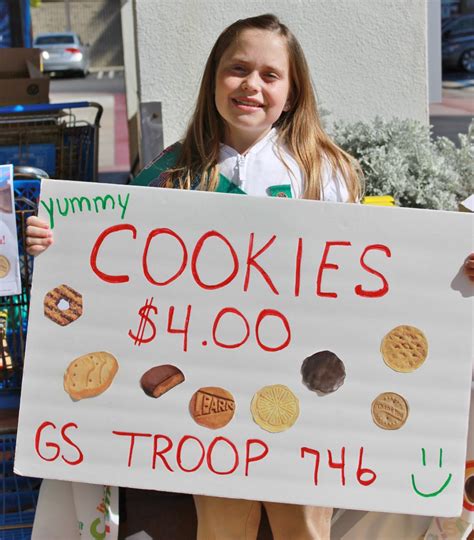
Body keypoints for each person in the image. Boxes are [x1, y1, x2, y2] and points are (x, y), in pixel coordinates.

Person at [24, 13, 474, 540]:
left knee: (304, 525)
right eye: (238, 69)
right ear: (214, 77)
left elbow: (370, 280)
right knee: (221, 526)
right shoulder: (172, 174)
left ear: (292, 89)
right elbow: (121, 269)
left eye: (269, 74)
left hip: (308, 396)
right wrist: (59, 244)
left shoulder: (324, 171)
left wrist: (454, 269)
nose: (251, 86)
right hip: (211, 401)